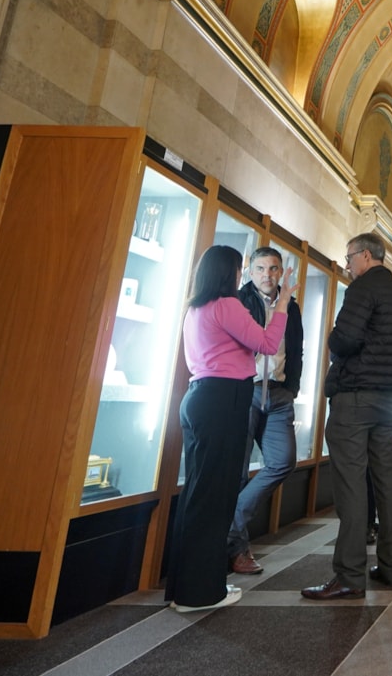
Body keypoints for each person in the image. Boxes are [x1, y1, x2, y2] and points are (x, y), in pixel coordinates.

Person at [168, 245, 294, 613]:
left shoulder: (196, 308)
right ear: (228, 273)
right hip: (223, 401)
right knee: (215, 500)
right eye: (240, 269)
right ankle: (201, 593)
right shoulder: (227, 305)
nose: (243, 275)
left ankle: (184, 587)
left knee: (197, 496)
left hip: (199, 398)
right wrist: (284, 299)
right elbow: (269, 344)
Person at [303, 233, 392, 600]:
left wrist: (334, 342)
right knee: (386, 483)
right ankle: (390, 566)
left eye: (349, 257)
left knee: (351, 486)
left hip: (356, 398)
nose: (347, 264)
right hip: (389, 402)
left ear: (366, 255)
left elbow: (344, 339)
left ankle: (350, 574)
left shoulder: (362, 288)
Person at [226, 247, 304, 576]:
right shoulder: (240, 302)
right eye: (260, 268)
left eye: (273, 269)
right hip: (247, 391)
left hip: (280, 395)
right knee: (238, 473)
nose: (267, 275)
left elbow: (297, 348)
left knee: (283, 461)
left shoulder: (292, 307)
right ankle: (238, 550)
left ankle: (229, 528)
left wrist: (293, 388)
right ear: (250, 272)